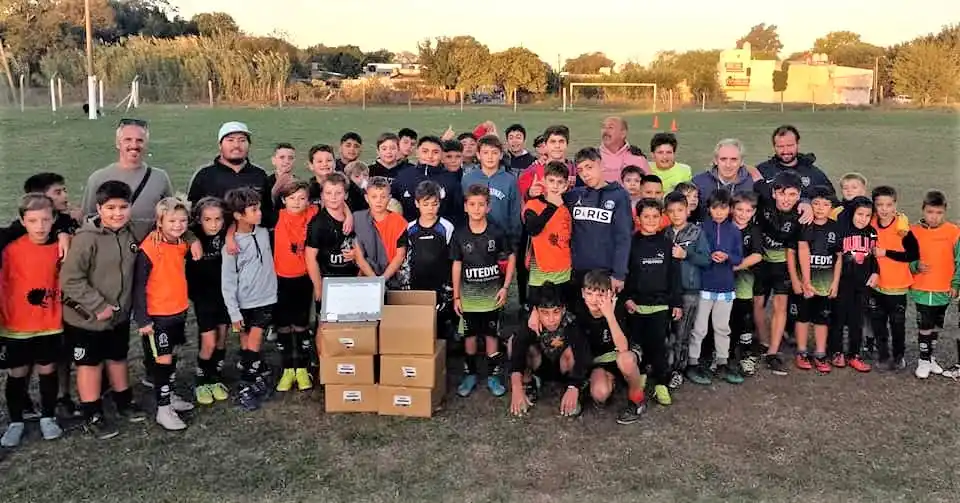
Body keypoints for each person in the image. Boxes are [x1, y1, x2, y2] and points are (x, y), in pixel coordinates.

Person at [60, 181, 152, 438]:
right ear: (99, 208)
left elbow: (169, 221)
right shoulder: (86, 239)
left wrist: (189, 236)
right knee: (89, 364)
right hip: (86, 318)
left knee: (117, 356)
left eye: (123, 207)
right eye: (110, 208)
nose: (117, 213)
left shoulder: (133, 229)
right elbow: (70, 280)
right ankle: (92, 411)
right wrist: (97, 305)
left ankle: (124, 400)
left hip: (118, 315)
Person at [0, 194, 65, 446]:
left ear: (54, 220)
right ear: (22, 221)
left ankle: (48, 417)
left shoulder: (60, 248)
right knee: (18, 372)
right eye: (33, 220)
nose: (40, 226)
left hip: (49, 323)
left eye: (45, 220)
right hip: (17, 326)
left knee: (47, 370)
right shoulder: (10, 251)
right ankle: (16, 421)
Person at [132, 197, 196, 431]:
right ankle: (163, 408)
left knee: (170, 358)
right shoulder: (149, 248)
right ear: (159, 222)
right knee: (163, 359)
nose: (178, 225)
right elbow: (138, 286)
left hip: (176, 312)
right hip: (157, 316)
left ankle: (170, 396)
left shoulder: (180, 243)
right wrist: (143, 319)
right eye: (172, 220)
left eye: (182, 220)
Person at [452, 184, 516, 398]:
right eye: (472, 204)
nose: (477, 209)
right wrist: (456, 295)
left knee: (491, 336)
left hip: (491, 297)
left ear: (488, 207)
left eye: (481, 205)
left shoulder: (496, 232)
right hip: (468, 298)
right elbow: (457, 264)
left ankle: (492, 375)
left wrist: (505, 287)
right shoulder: (460, 233)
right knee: (469, 336)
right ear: (465, 207)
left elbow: (511, 257)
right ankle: (469, 374)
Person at [221, 187, 278, 411]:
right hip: (244, 302)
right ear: (238, 215)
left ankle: (252, 376)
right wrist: (233, 312)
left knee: (253, 343)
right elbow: (227, 282)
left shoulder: (263, 231)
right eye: (253, 210)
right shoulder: (231, 246)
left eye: (259, 207)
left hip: (266, 299)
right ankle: (246, 386)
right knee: (248, 345)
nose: (259, 212)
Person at [623, 198, 683, 406]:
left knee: (659, 346)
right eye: (646, 216)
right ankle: (640, 376)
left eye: (655, 216)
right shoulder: (631, 243)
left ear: (661, 218)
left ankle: (661, 383)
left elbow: (674, 276)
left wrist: (677, 303)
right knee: (638, 344)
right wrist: (627, 298)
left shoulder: (667, 244)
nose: (651, 220)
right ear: (638, 219)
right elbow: (627, 274)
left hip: (660, 304)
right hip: (637, 305)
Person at [686, 189, 744, 385]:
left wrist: (727, 257)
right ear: (709, 209)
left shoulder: (735, 230)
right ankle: (692, 362)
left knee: (722, 327)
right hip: (704, 285)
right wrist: (708, 257)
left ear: (729, 209)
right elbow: (695, 254)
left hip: (726, 287)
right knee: (699, 328)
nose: (719, 212)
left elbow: (738, 257)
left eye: (724, 208)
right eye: (715, 208)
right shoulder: (701, 228)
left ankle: (722, 362)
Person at [508, 282, 589, 418]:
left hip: (563, 367)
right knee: (513, 341)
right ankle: (528, 384)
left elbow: (583, 355)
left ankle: (573, 390)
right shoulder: (531, 322)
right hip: (541, 364)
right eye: (545, 313)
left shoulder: (571, 322)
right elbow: (517, 349)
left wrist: (574, 386)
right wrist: (516, 387)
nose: (551, 319)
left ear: (563, 310)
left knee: (573, 351)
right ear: (536, 311)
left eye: (556, 312)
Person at [577, 270, 648, 423]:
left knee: (626, 360)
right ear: (583, 293)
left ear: (609, 294)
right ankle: (612, 381)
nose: (594, 300)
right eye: (590, 294)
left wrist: (609, 315)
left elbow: (623, 348)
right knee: (600, 394)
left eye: (600, 295)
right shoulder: (579, 311)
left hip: (623, 353)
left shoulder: (617, 307)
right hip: (600, 361)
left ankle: (637, 398)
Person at [787, 186, 842, 374]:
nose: (820, 208)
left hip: (825, 285)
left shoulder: (835, 228)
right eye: (816, 203)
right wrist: (799, 281)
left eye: (825, 204)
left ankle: (820, 353)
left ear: (831, 207)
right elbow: (794, 252)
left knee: (822, 319)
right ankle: (801, 352)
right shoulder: (803, 224)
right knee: (802, 318)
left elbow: (839, 257)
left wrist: (835, 283)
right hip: (805, 284)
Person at [754, 172, 803, 375]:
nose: (787, 199)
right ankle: (763, 342)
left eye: (792, 195)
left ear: (799, 195)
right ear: (774, 193)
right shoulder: (764, 195)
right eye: (782, 194)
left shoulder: (801, 215)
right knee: (757, 302)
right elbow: (754, 175)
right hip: (760, 261)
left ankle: (773, 351)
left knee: (780, 305)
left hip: (783, 264)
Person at [272, 181, 318, 393]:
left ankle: (302, 367)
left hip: (304, 277)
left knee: (300, 323)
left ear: (308, 200)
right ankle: (287, 368)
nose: (297, 202)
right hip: (280, 278)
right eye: (291, 198)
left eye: (301, 198)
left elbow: (339, 205)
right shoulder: (276, 216)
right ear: (283, 200)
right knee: (283, 324)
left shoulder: (313, 213)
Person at [81, 118, 174, 224]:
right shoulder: (98, 178)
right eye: (128, 140)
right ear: (117, 143)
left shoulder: (160, 178)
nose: (134, 145)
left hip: (149, 239)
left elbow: (172, 216)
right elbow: (87, 219)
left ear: (146, 144)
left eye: (139, 140)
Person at [565, 147, 632, 293]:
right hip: (577, 271)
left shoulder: (619, 196)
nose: (585, 174)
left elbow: (623, 237)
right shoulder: (574, 196)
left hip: (605, 273)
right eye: (580, 170)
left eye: (589, 167)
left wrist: (619, 274)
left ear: (601, 165)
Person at [908, 191, 960, 379]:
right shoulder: (913, 232)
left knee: (937, 325)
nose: (934, 216)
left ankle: (931, 358)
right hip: (922, 288)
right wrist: (915, 266)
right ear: (923, 210)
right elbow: (906, 258)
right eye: (930, 212)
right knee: (925, 325)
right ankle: (923, 360)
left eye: (938, 213)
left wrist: (956, 283)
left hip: (944, 289)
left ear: (944, 212)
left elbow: (959, 260)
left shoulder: (954, 232)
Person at [187, 122, 274, 228]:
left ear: (249, 145)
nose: (236, 145)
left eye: (242, 140)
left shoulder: (259, 174)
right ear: (220, 145)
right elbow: (194, 214)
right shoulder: (204, 175)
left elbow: (268, 211)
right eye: (230, 140)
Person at [663, 191, 710, 388]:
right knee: (667, 332)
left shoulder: (696, 233)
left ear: (688, 211)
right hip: (667, 291)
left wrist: (687, 254)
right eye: (671, 211)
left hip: (689, 291)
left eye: (680, 210)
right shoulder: (664, 233)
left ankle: (678, 369)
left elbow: (706, 260)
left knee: (682, 332)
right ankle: (665, 366)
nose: (676, 215)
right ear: (666, 213)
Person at [187, 197, 231, 406]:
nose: (213, 224)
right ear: (198, 220)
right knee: (209, 341)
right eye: (208, 219)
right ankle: (201, 379)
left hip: (225, 294)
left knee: (222, 338)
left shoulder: (228, 233)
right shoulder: (192, 236)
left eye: (218, 219)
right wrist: (190, 237)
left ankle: (215, 377)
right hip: (203, 296)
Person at [870, 186, 917, 371]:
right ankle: (883, 355)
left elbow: (912, 254)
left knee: (897, 324)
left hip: (897, 286)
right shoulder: (870, 222)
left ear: (895, 205)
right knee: (878, 323)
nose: (884, 209)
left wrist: (886, 253)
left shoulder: (902, 228)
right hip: (875, 285)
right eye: (879, 204)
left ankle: (899, 356)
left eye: (888, 204)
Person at [831, 196, 878, 372]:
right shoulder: (841, 231)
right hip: (843, 282)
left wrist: (875, 272)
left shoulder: (871, 232)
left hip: (862, 284)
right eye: (859, 214)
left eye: (867, 215)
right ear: (852, 213)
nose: (863, 219)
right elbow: (835, 256)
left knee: (856, 320)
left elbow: (873, 257)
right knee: (839, 318)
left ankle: (854, 354)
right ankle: (836, 352)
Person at [305, 173, 360, 322]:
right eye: (328, 193)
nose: (333, 197)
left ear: (346, 195)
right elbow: (310, 257)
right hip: (329, 280)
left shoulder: (355, 218)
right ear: (322, 195)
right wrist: (318, 286)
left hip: (353, 278)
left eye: (338, 193)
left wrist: (358, 255)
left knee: (352, 319)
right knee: (326, 323)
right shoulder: (318, 224)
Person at [406, 181, 456, 339]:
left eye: (434, 204)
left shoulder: (446, 227)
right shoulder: (410, 228)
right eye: (425, 204)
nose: (430, 208)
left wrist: (449, 286)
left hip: (440, 286)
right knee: (421, 325)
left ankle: (444, 356)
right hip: (417, 284)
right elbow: (406, 257)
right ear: (416, 203)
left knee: (441, 325)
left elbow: (454, 258)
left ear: (439, 204)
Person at [523, 161, 573, 308]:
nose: (555, 186)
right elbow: (533, 229)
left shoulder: (567, 207)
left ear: (566, 186)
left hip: (564, 271)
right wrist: (552, 206)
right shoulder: (533, 205)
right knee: (539, 311)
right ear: (544, 181)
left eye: (560, 182)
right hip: (540, 272)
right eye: (551, 181)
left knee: (561, 311)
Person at [460, 135, 522, 251]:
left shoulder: (510, 180)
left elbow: (514, 212)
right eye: (485, 153)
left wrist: (514, 239)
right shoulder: (468, 179)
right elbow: (463, 209)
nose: (490, 157)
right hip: (473, 238)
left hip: (502, 238)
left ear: (501, 155)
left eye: (494, 153)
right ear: (478, 155)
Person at [391, 136, 464, 225]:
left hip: (440, 235)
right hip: (407, 233)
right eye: (425, 151)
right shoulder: (403, 176)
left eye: (435, 152)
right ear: (417, 152)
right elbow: (392, 204)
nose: (430, 156)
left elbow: (458, 213)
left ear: (441, 155)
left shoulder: (451, 180)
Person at [730, 191, 764, 376]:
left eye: (748, 210)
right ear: (732, 209)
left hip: (745, 279)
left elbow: (757, 254)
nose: (743, 214)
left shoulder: (754, 230)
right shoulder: (725, 227)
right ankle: (722, 354)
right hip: (723, 280)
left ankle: (746, 354)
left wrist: (737, 267)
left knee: (744, 314)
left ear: (754, 212)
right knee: (725, 316)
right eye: (739, 209)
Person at [354, 177, 409, 288]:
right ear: (366, 198)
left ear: (389, 198)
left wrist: (383, 279)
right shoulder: (358, 219)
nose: (378, 200)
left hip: (393, 277)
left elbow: (400, 255)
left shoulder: (399, 222)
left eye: (383, 197)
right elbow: (359, 257)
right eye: (374, 197)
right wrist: (374, 280)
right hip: (365, 277)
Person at [756, 125, 835, 202]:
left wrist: (807, 205)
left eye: (790, 145)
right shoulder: (762, 171)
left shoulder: (814, 173)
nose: (785, 151)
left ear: (797, 144)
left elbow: (832, 202)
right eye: (780, 146)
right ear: (774, 147)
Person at [692, 139, 756, 222]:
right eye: (723, 159)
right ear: (715, 160)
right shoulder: (699, 182)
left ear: (741, 162)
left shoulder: (752, 184)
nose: (728, 165)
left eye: (734, 159)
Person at [519, 126, 576, 202]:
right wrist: (529, 194)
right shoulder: (531, 171)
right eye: (553, 142)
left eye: (561, 141)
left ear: (567, 144)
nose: (557, 146)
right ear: (545, 145)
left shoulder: (576, 171)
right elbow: (520, 203)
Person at [599, 116, 649, 182]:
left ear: (623, 133)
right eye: (603, 127)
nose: (605, 131)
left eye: (610, 127)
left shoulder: (638, 158)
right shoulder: (593, 157)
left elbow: (649, 186)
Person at [266, 143, 296, 222]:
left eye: (290, 158)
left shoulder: (300, 183)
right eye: (282, 157)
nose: (286, 161)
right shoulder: (265, 182)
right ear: (273, 160)